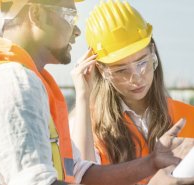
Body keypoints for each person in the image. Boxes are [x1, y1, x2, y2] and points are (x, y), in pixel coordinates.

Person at [0, 0, 194, 185]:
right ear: (37, 15)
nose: (77, 31)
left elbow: (81, 175)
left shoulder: (32, 82)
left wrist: (151, 163)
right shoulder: (12, 82)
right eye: (70, 16)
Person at [70, 0, 194, 184]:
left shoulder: (187, 115)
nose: (136, 77)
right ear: (101, 70)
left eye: (142, 62)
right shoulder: (86, 125)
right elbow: (83, 178)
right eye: (121, 70)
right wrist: (82, 95)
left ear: (153, 53)